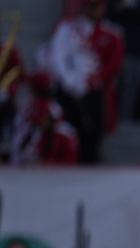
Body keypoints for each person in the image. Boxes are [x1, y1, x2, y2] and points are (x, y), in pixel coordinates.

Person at [43, 0, 124, 164]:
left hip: (95, 91)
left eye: (97, 7)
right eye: (89, 6)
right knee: (66, 130)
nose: (93, 10)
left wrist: (91, 82)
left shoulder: (113, 33)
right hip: (68, 89)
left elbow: (114, 62)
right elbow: (58, 56)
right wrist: (70, 80)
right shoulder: (67, 29)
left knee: (92, 133)